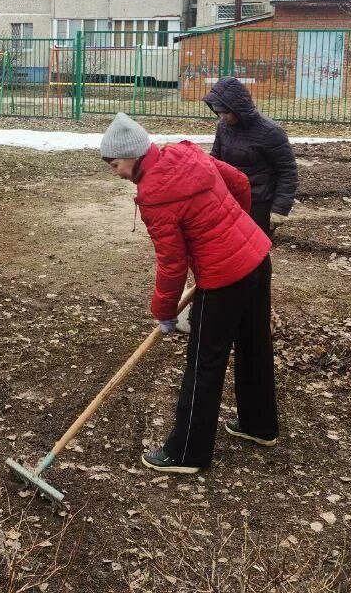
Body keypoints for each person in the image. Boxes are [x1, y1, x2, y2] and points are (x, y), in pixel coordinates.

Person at [100, 112, 277, 475]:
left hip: (224, 277)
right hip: (257, 255)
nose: (114, 172)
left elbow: (172, 264)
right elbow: (240, 182)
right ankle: (260, 426)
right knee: (254, 343)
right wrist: (234, 229)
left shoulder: (154, 196)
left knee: (204, 363)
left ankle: (187, 453)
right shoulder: (186, 153)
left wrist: (163, 311)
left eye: (115, 164)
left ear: (133, 155)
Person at [203, 77, 299, 237]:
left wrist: (280, 209)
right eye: (217, 112)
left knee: (257, 253)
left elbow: (288, 171)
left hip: (259, 203)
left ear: (237, 107)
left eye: (225, 112)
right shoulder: (223, 127)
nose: (222, 117)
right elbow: (216, 159)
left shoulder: (270, 132)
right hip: (231, 199)